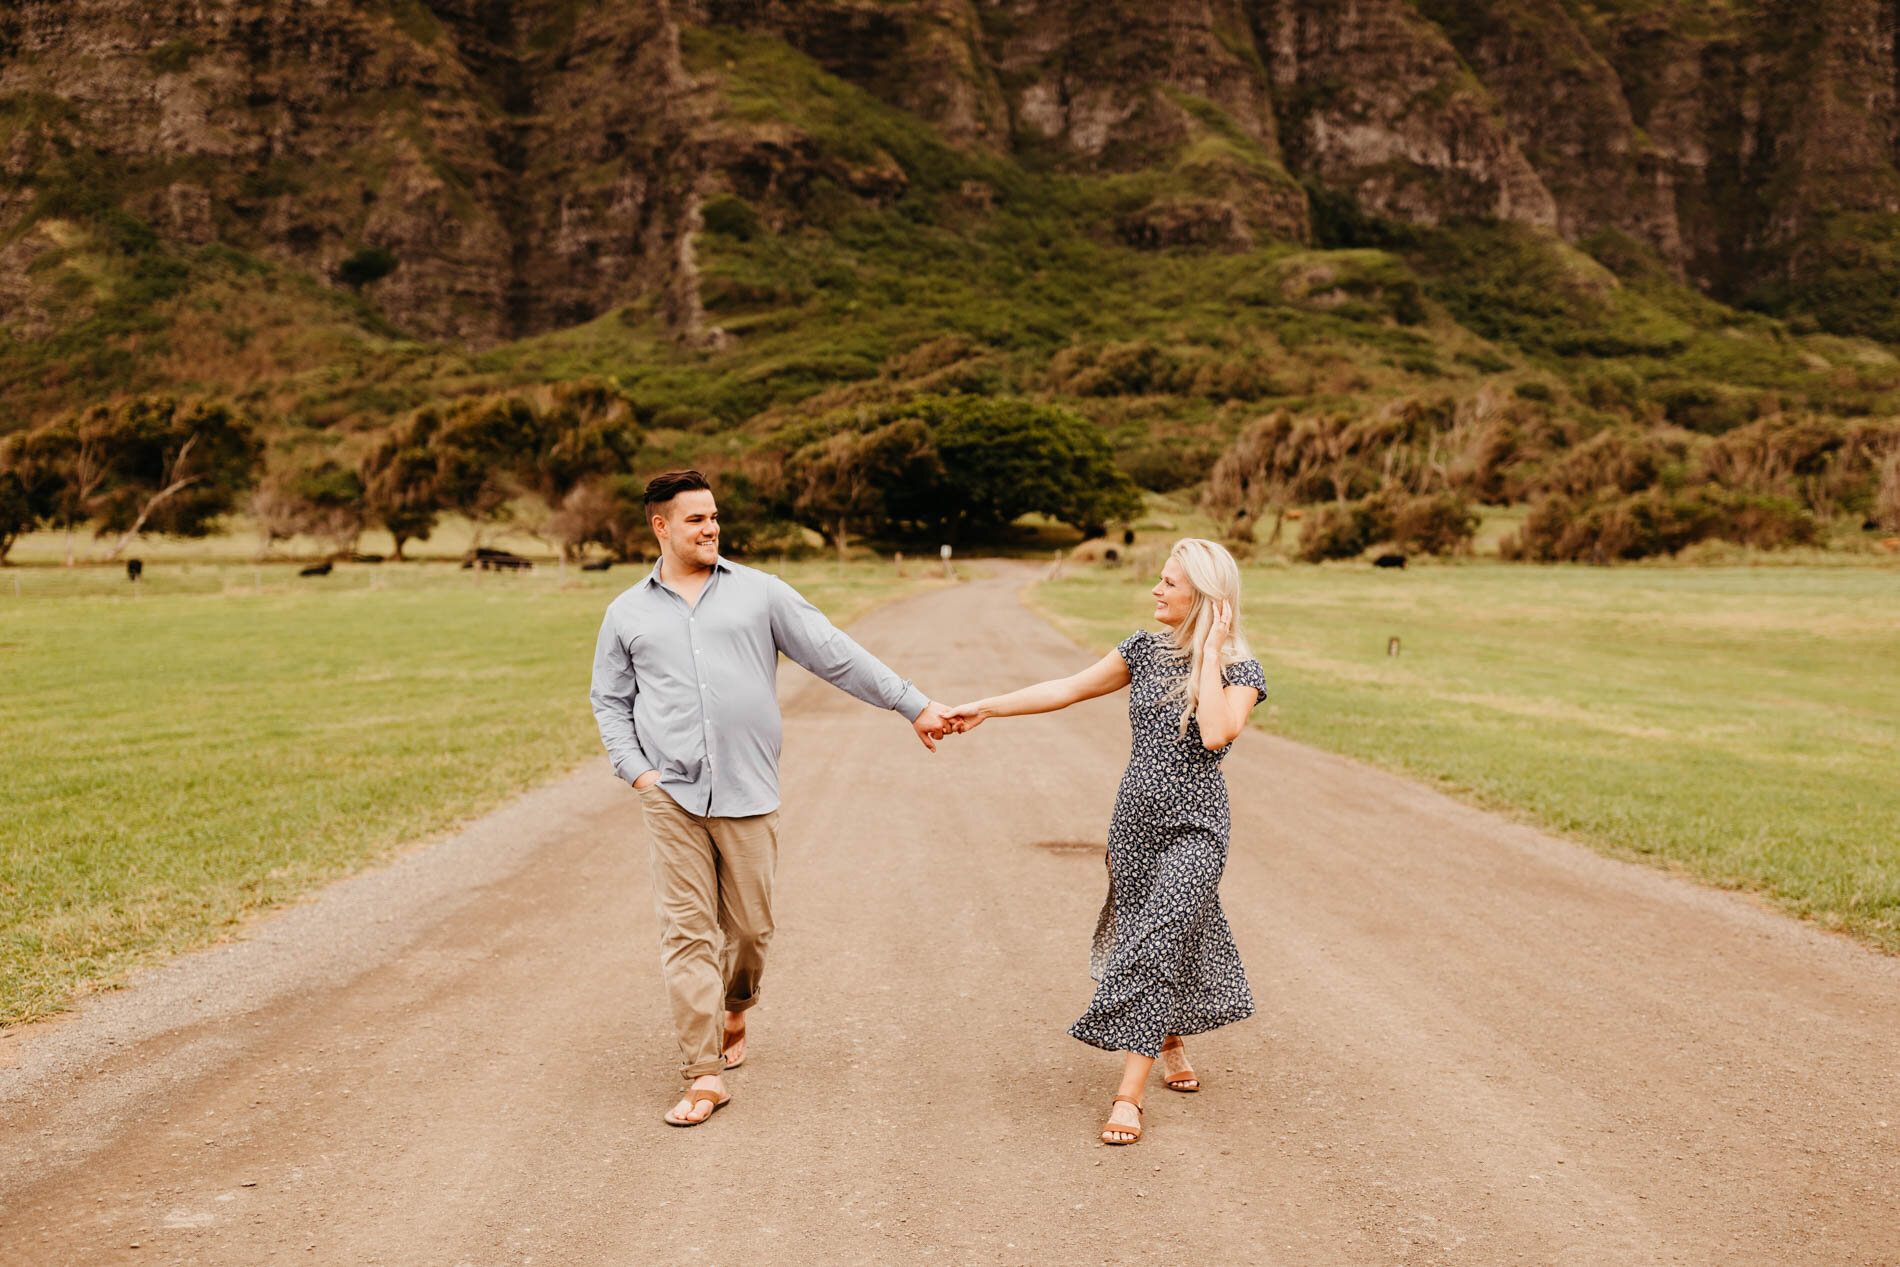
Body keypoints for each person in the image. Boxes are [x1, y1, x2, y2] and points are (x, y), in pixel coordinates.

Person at [590, 470, 955, 1126]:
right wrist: (637, 772)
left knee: (751, 932)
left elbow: (835, 655)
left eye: (713, 516)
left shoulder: (760, 594)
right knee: (686, 934)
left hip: (748, 792)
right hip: (669, 796)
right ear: (660, 526)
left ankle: (736, 1007)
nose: (710, 527)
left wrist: (914, 704)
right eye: (695, 518)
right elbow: (610, 701)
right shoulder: (626, 613)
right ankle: (702, 1074)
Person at [943, 538, 1265, 1145]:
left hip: (1197, 830)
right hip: (1134, 826)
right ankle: (1168, 1038)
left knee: (1160, 935)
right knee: (1156, 939)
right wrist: (985, 706)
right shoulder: (1141, 651)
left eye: (1170, 583)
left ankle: (1127, 1096)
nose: (1156, 591)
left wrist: (1212, 650)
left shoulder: (1239, 670)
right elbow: (1065, 688)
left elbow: (1216, 732)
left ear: (1204, 594)